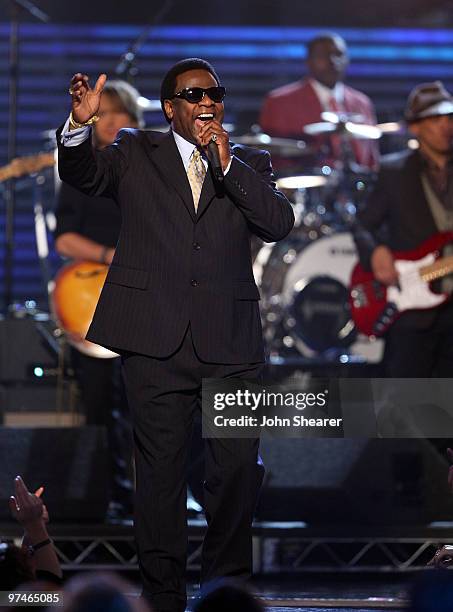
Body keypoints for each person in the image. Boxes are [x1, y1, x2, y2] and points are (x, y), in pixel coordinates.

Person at [57, 58, 294, 612]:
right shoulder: (136, 151)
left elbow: (278, 225)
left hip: (230, 344)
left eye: (215, 93)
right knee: (160, 477)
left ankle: (226, 592)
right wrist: (77, 129)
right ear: (170, 108)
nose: (207, 102)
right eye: (193, 95)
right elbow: (84, 175)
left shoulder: (249, 161)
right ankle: (163, 596)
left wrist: (228, 165)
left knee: (235, 473)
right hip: (154, 339)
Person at [54, 80, 143, 522]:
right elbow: (65, 239)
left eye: (116, 113)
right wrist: (109, 256)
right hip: (89, 295)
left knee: (142, 400)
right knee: (96, 401)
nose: (107, 121)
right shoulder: (81, 171)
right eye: (100, 113)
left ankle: (152, 495)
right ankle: (105, 494)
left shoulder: (146, 169)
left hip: (140, 295)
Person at [354, 81, 453, 377]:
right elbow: (363, 226)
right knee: (409, 404)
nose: (446, 126)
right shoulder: (394, 171)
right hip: (412, 309)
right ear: (414, 127)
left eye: (450, 118)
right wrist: (376, 254)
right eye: (436, 119)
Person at [259, 32, 379, 169]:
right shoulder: (279, 102)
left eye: (339, 55)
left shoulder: (362, 103)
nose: (333, 61)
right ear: (308, 61)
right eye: (323, 56)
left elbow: (372, 161)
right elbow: (272, 160)